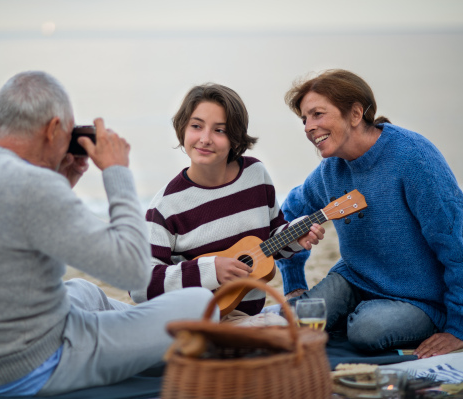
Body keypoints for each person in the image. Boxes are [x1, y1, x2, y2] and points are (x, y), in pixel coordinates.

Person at [0, 71, 215, 396]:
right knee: (203, 305)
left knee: (85, 292)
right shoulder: (33, 186)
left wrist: (61, 181)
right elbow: (132, 270)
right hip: (29, 365)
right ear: (53, 129)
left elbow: (31, 229)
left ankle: (139, 330)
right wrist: (117, 171)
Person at [277, 69, 463, 357]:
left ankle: (358, 319)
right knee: (289, 321)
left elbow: (455, 242)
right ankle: (349, 316)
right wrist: (293, 284)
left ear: (354, 114)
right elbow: (291, 211)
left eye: (317, 114)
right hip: (355, 279)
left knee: (366, 331)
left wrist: (458, 326)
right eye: (304, 119)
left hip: (422, 298)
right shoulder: (331, 170)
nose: (308, 127)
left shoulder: (413, 158)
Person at [130, 83, 325, 317]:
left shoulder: (255, 175)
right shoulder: (166, 206)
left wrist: (295, 236)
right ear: (182, 128)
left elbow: (269, 244)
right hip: (195, 320)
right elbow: (139, 286)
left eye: (219, 130)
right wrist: (210, 270)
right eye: (196, 126)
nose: (205, 139)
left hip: (248, 316)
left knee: (306, 321)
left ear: (235, 137)